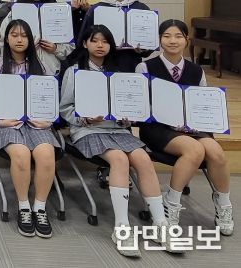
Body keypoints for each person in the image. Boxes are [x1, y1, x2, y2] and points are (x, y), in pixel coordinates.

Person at [59, 25, 179, 257]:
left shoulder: (119, 73)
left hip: (118, 130)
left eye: (105, 41)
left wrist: (127, 118)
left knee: (143, 159)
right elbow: (65, 108)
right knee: (119, 160)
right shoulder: (74, 72)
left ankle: (160, 224)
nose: (100, 45)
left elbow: (130, 107)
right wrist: (84, 119)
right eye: (95, 41)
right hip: (88, 130)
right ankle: (122, 228)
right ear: (85, 43)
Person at [136, 19, 233, 235]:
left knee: (216, 152)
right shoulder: (145, 67)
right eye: (167, 36)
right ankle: (171, 202)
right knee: (195, 150)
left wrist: (197, 122)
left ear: (186, 40)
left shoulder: (196, 70)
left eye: (178, 36)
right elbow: (140, 105)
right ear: (159, 40)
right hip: (158, 127)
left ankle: (223, 205)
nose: (172, 41)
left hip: (192, 127)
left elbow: (202, 103)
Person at [0, 19, 59, 238]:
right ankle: (24, 207)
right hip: (7, 125)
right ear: (6, 39)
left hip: (36, 125)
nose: (19, 40)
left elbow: (49, 98)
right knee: (21, 154)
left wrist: (48, 121)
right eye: (14, 35)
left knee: (46, 154)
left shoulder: (40, 66)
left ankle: (40, 209)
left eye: (24, 36)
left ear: (31, 40)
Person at [79, 0, 152, 72]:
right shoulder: (96, 9)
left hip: (131, 65)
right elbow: (82, 40)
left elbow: (149, 45)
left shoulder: (141, 9)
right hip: (100, 67)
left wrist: (143, 49)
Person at [0, 0, 74, 75]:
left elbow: (70, 45)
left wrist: (56, 49)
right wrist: (26, 47)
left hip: (51, 71)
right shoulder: (15, 13)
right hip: (20, 71)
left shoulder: (59, 12)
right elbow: (3, 42)